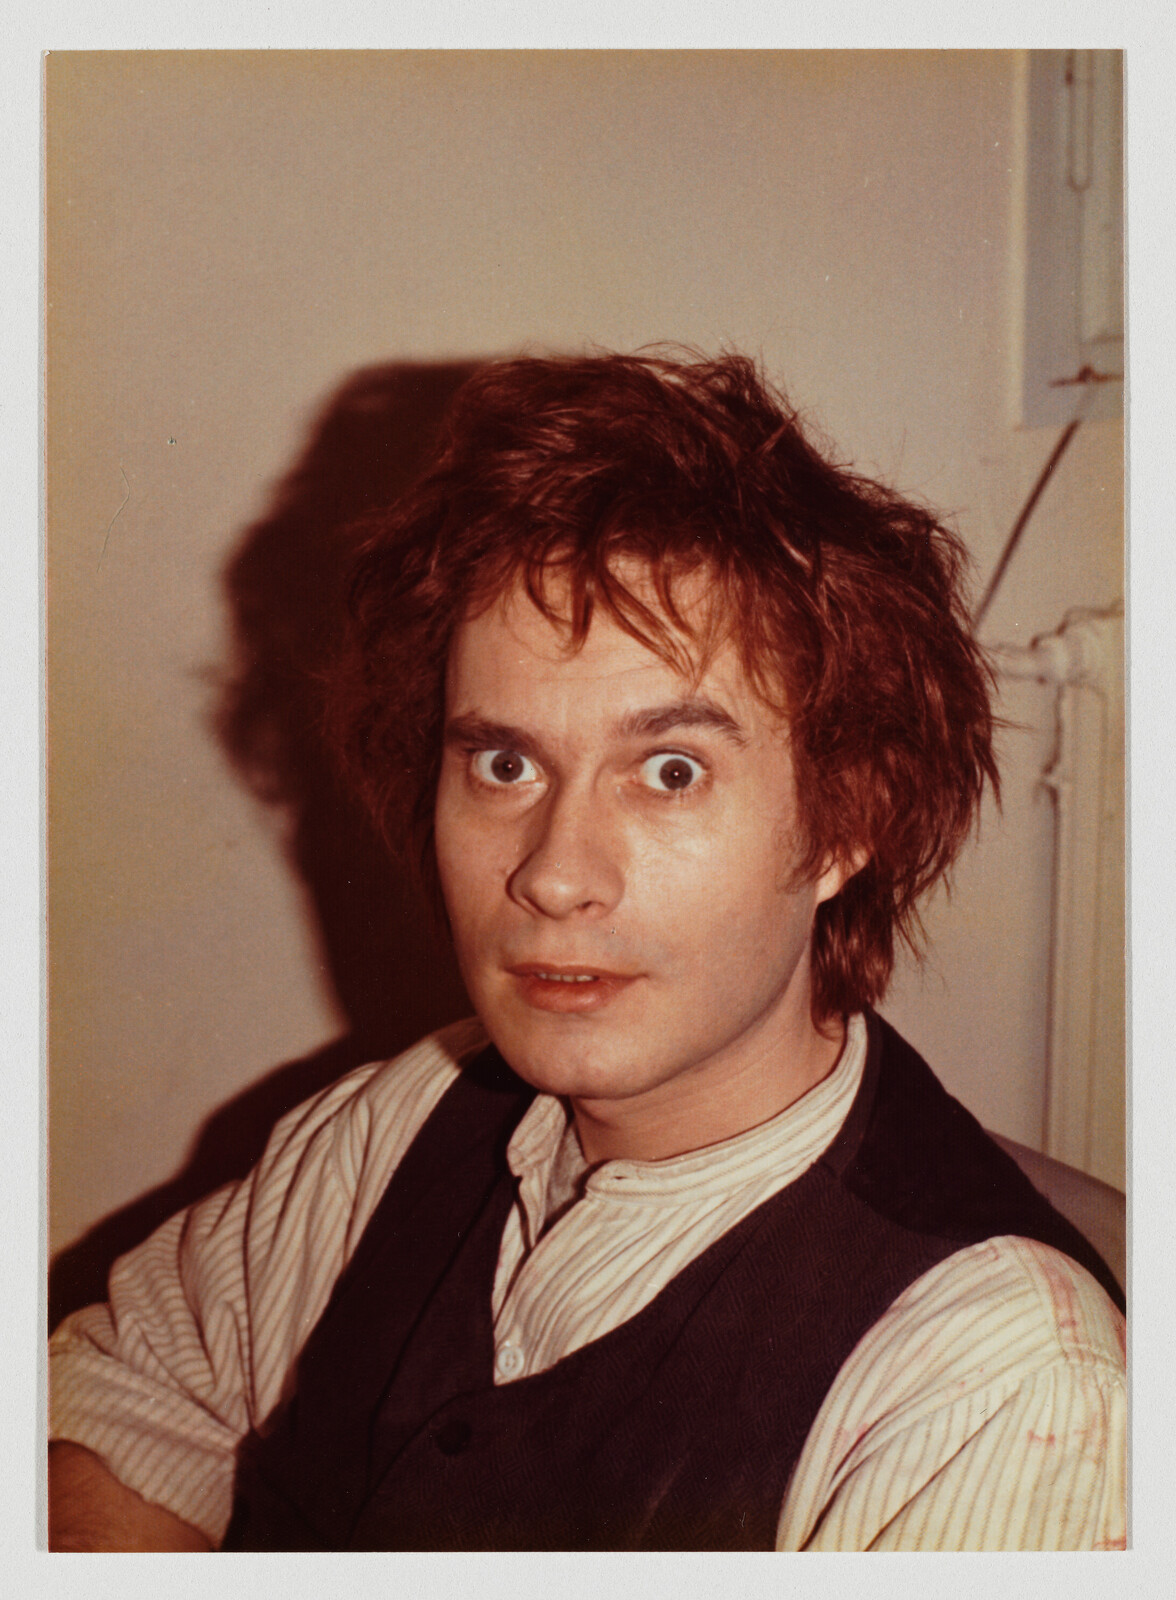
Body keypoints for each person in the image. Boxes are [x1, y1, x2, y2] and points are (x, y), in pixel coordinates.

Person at [49, 351, 1126, 1552]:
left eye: (670, 772)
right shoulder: (410, 1116)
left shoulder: (997, 1382)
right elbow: (126, 1391)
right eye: (503, 764)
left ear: (847, 822)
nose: (552, 872)